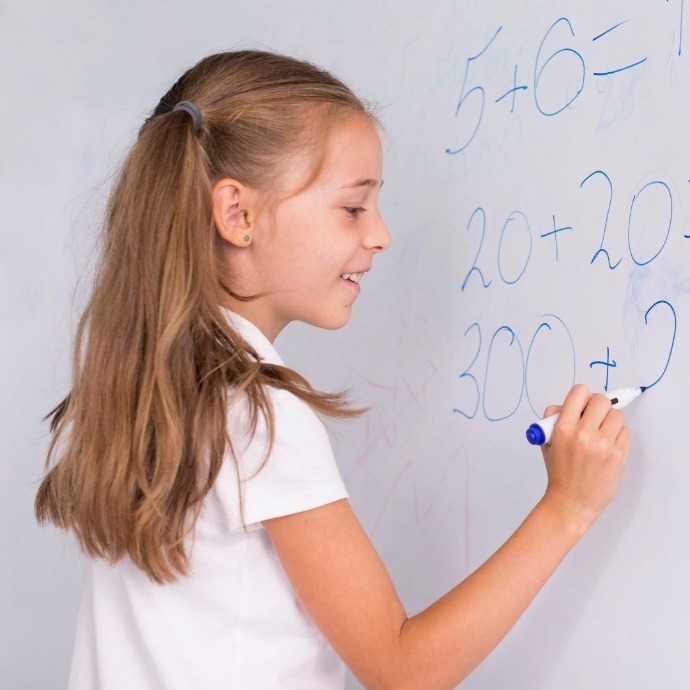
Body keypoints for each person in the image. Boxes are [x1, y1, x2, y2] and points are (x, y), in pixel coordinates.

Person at [35, 50, 631, 690]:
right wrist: (566, 507)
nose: (380, 235)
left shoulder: (143, 387)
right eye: (354, 208)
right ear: (238, 216)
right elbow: (403, 669)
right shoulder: (260, 417)